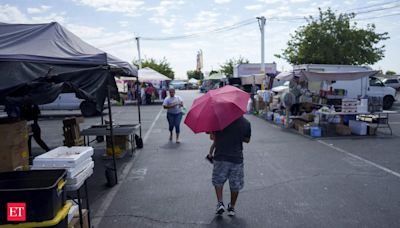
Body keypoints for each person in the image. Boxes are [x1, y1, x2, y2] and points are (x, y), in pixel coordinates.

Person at [208, 115, 251, 216]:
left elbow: (212, 137)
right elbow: (247, 140)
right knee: (235, 184)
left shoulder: (218, 119)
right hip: (236, 157)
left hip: (220, 155)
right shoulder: (245, 123)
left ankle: (220, 203)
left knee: (218, 180)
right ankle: (231, 207)